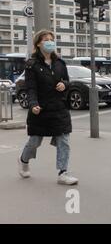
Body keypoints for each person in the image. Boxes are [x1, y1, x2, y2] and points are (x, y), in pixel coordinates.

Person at [17, 30, 78, 185]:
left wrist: (64, 84)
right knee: (35, 141)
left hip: (59, 108)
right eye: (46, 40)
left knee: (64, 140)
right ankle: (23, 160)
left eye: (52, 39)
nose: (50, 42)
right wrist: (33, 104)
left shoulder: (60, 63)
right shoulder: (32, 65)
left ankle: (63, 173)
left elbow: (67, 81)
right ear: (38, 43)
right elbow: (31, 88)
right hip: (41, 109)